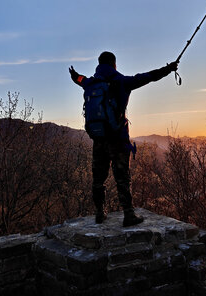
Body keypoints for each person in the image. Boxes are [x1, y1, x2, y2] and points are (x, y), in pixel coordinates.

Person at [69, 51, 179, 227]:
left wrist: (75, 76)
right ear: (114, 64)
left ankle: (99, 213)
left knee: (98, 179)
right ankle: (129, 215)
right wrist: (169, 68)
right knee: (122, 178)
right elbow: (148, 77)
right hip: (117, 139)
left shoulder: (90, 82)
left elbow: (80, 80)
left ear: (99, 64)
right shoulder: (122, 81)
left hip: (98, 139)